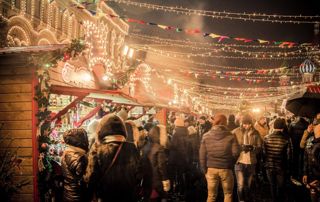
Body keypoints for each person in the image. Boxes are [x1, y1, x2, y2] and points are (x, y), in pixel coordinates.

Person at [84, 114, 143, 202]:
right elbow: (139, 174)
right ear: (123, 130)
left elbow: (91, 176)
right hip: (128, 196)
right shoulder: (131, 147)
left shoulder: (98, 148)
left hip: (106, 196)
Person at [200, 113, 240, 202]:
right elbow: (236, 152)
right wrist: (230, 163)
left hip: (211, 168)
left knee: (211, 195)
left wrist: (204, 169)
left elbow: (202, 154)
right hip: (226, 168)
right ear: (225, 122)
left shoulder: (206, 136)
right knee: (228, 194)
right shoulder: (231, 135)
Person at [232, 114, 262, 202]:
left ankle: (247, 197)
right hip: (239, 161)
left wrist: (253, 148)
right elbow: (231, 146)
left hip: (251, 161)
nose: (247, 126)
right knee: (240, 185)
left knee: (248, 184)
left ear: (251, 124)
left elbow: (260, 147)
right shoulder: (235, 132)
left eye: (249, 124)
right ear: (241, 123)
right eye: (244, 124)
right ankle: (241, 200)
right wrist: (240, 148)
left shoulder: (255, 132)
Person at [263, 118, 293, 202]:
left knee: (272, 185)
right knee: (281, 186)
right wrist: (289, 168)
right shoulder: (286, 139)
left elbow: (264, 154)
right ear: (283, 127)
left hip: (269, 166)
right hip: (281, 167)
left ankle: (274, 199)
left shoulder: (266, 138)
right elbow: (289, 156)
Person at [141, 125, 170, 201]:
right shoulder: (159, 148)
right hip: (157, 182)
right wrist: (165, 181)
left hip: (147, 180)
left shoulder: (145, 146)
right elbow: (162, 167)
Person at [61, 128, 89, 202]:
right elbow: (80, 172)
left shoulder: (73, 152)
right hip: (76, 195)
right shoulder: (73, 154)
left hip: (73, 193)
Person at [303, 124, 320, 202]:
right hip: (311, 178)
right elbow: (306, 158)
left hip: (317, 179)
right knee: (313, 198)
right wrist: (305, 173)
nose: (315, 126)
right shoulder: (310, 140)